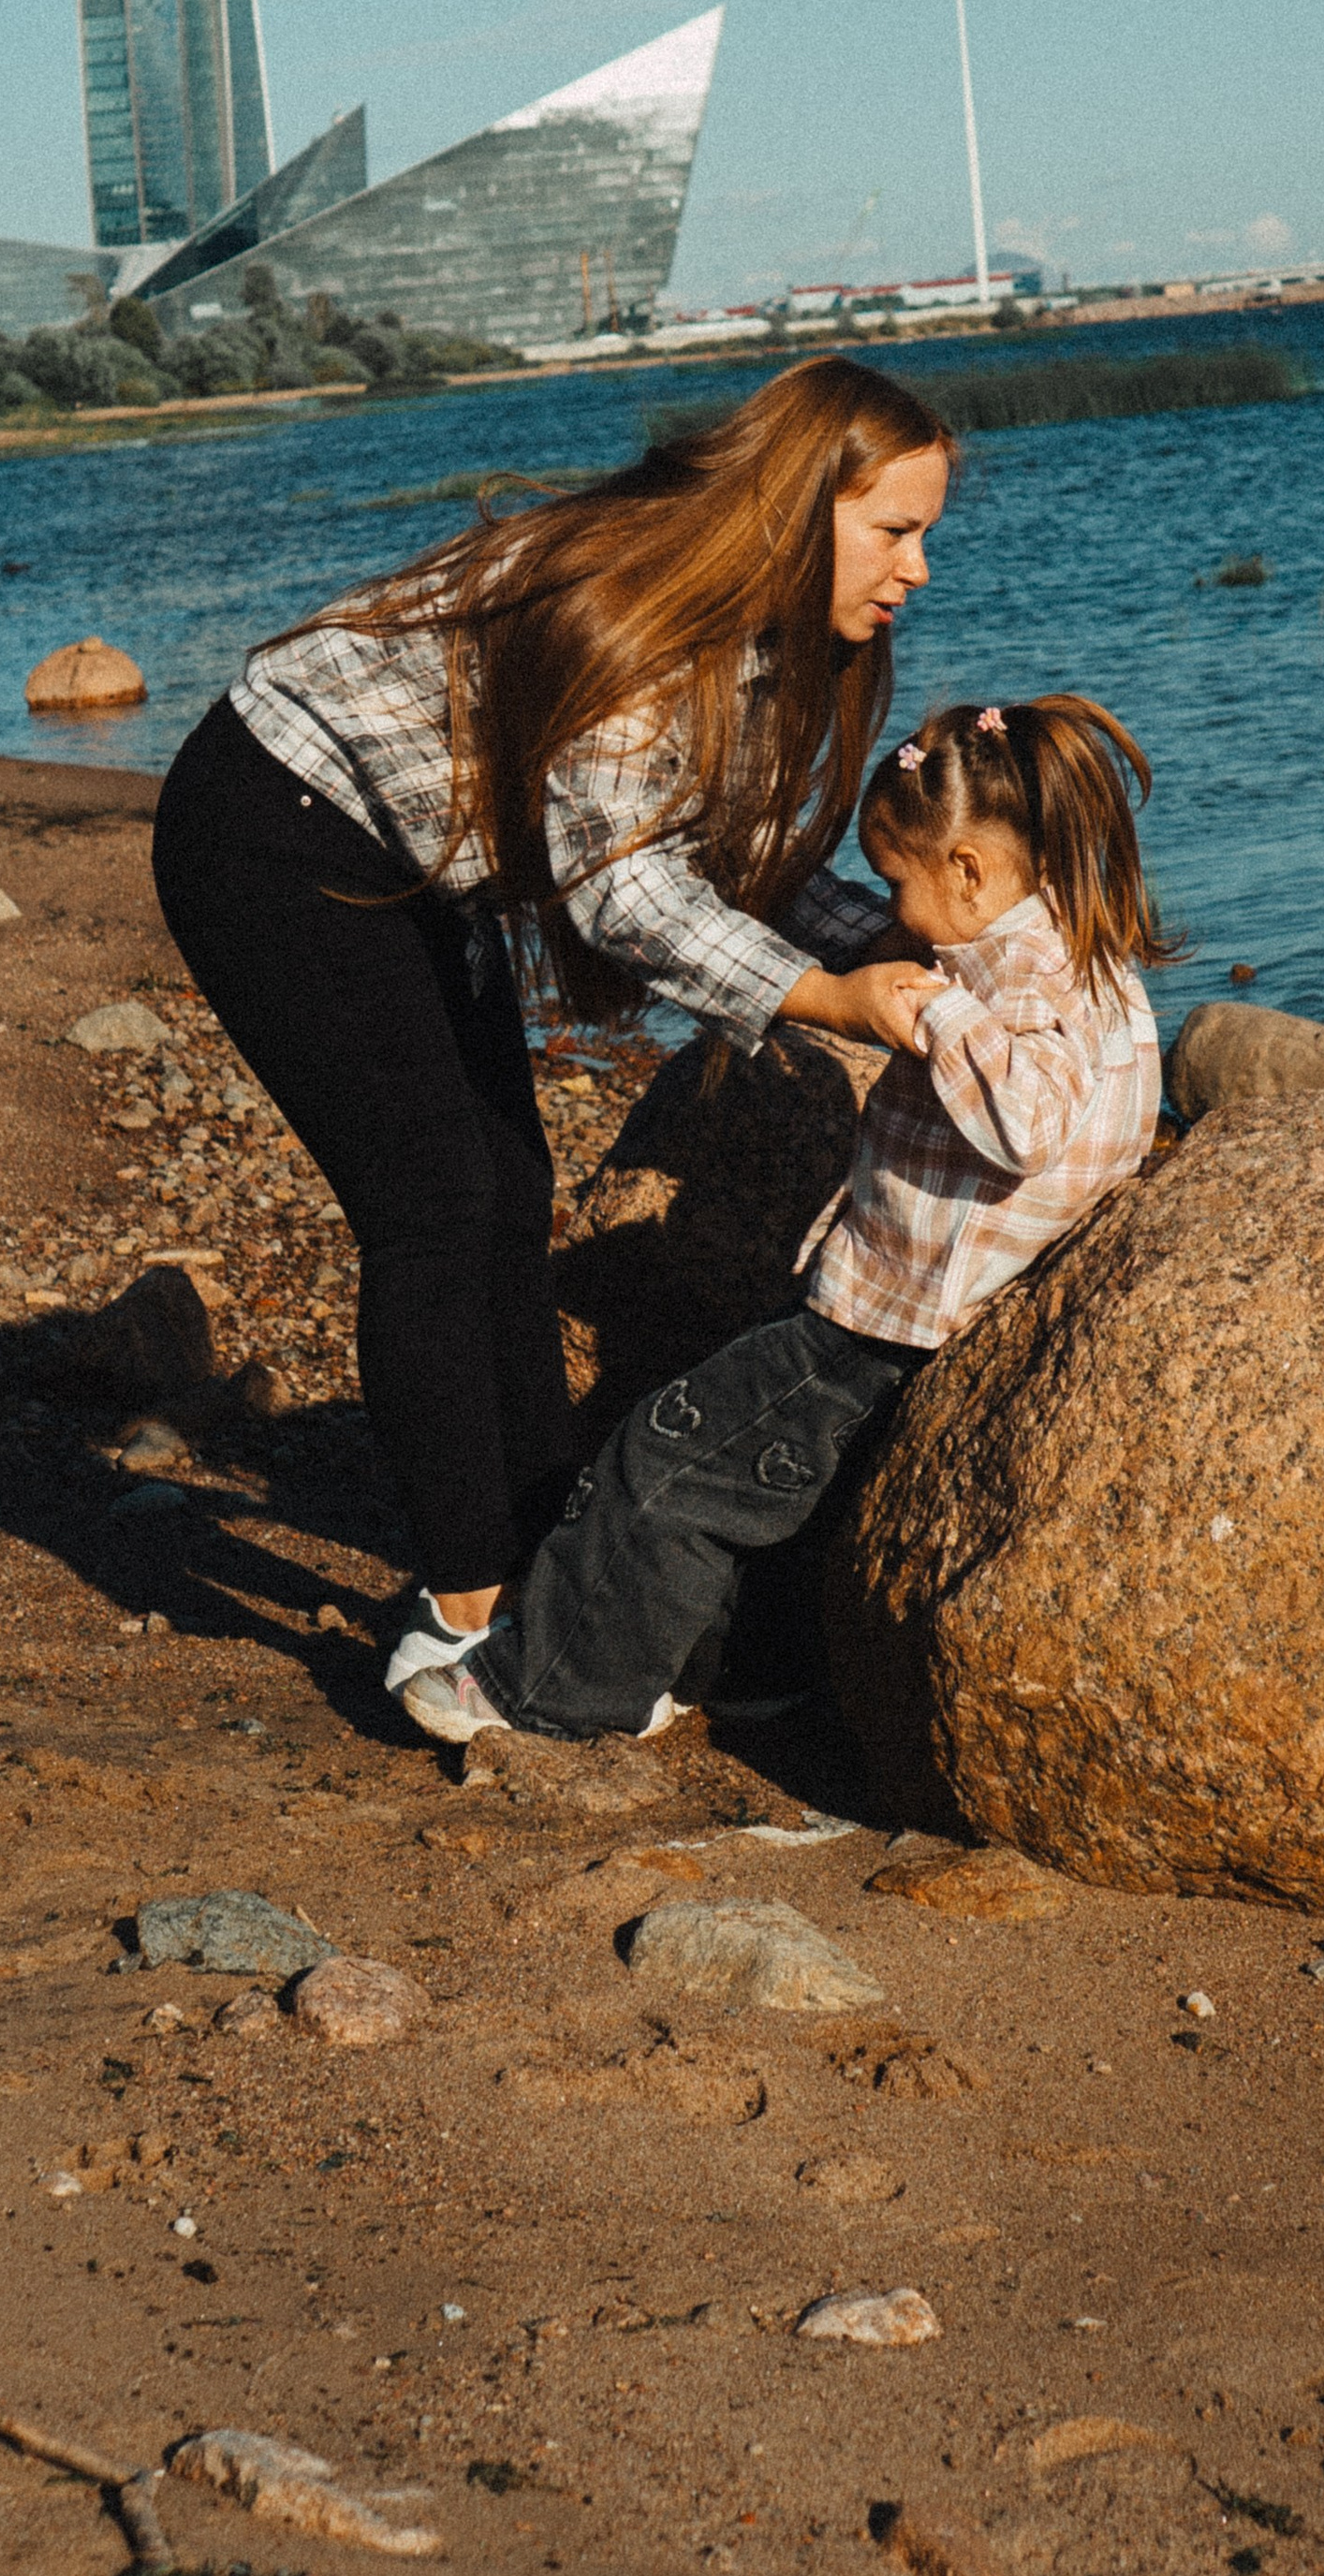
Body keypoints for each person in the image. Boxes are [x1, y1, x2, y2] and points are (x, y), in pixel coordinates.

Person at [149, 353, 955, 1692]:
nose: (917, 566)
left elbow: (740, 857)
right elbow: (624, 888)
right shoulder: (640, 605)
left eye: (925, 532)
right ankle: (467, 1618)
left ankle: (542, 1560)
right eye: (895, 530)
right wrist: (828, 999)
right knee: (435, 1203)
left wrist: (901, 954)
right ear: (793, 509)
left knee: (509, 1193)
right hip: (271, 824)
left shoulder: (755, 640)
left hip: (406, 850)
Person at [394, 691, 1171, 1746]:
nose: (892, 911)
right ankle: (756, 1675)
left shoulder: (1011, 992)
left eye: (899, 882)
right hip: (945, 1322)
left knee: (664, 1466)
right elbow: (857, 938)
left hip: (878, 1326)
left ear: (969, 873)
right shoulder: (1084, 960)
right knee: (789, 1504)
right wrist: (752, 865)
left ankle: (551, 1693)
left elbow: (1026, 1122)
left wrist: (941, 1016)